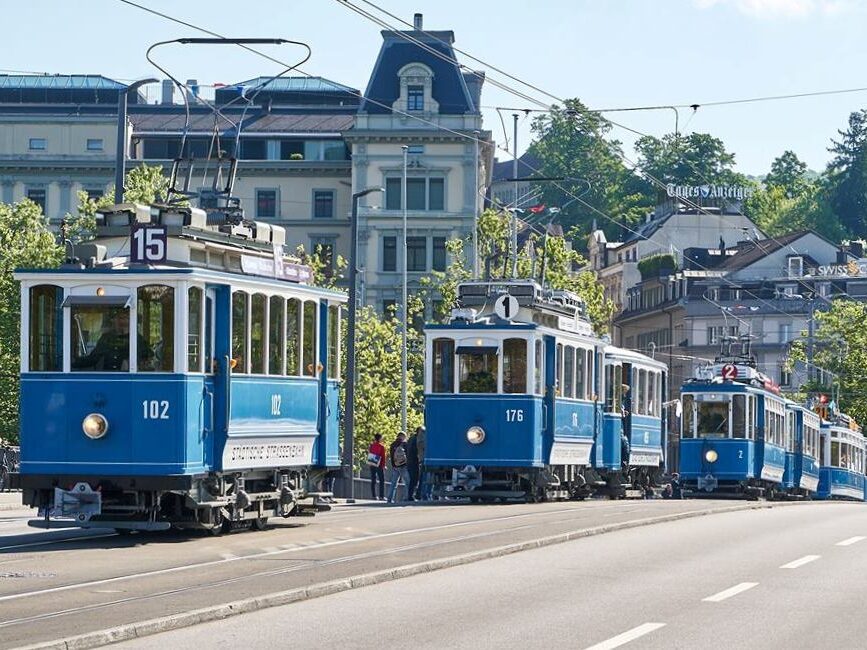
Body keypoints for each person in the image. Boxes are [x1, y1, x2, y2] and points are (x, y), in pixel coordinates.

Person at [72, 308, 152, 371]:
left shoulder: (138, 339)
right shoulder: (106, 338)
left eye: (126, 318)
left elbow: (147, 359)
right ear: (114, 320)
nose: (122, 321)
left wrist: (131, 363)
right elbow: (93, 358)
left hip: (128, 380)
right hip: (107, 378)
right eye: (119, 318)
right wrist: (72, 362)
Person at [388, 432, 410, 504]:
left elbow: (391, 456)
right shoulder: (404, 444)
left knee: (393, 484)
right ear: (402, 436)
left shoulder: (392, 444)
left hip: (395, 466)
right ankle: (406, 498)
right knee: (407, 482)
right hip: (403, 466)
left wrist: (393, 466)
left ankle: (390, 499)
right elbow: (407, 455)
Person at [367, 434, 386, 501]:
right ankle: (381, 496)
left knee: (373, 480)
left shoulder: (372, 445)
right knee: (381, 480)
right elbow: (383, 457)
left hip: (372, 463)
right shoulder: (381, 446)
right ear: (380, 438)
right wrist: (383, 466)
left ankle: (374, 495)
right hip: (379, 464)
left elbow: (370, 453)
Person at [406, 430, 420, 502]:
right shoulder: (416, 439)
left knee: (412, 480)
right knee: (414, 479)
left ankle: (410, 495)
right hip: (414, 462)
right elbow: (416, 450)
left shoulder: (411, 438)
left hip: (409, 461)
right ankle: (411, 496)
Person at [415, 425, 428, 500]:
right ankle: (422, 494)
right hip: (424, 459)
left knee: (423, 478)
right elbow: (424, 446)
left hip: (422, 459)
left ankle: (420, 494)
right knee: (424, 478)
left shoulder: (418, 439)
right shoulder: (421, 438)